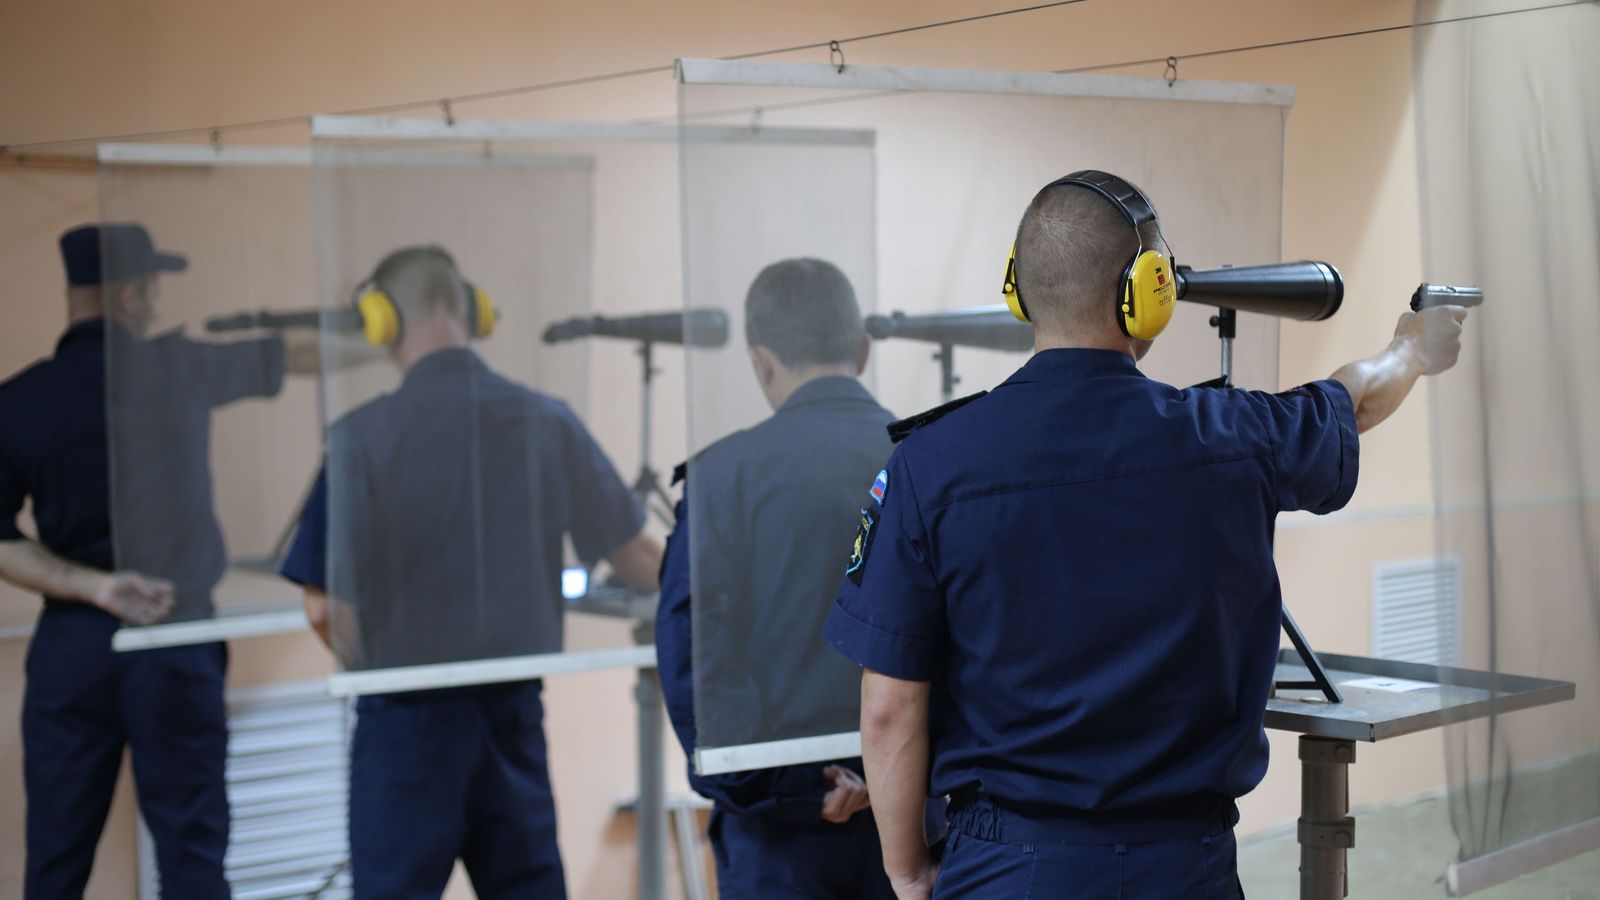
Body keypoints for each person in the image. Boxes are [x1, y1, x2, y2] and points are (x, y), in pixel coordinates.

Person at [824, 171, 1470, 899]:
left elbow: (887, 708)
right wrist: (1412, 349)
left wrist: (906, 870)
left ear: (1019, 288)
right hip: (1184, 864)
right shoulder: (1233, 437)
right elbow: (1351, 401)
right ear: (1151, 290)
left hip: (1008, 864)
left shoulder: (928, 466)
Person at [279, 244, 661, 899]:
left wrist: (380, 672)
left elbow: (322, 606)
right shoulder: (546, 420)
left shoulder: (363, 438)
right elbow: (639, 558)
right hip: (512, 723)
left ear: (382, 320)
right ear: (471, 310)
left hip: (404, 732)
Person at [0, 223, 315, 898]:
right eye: (151, 290)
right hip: (174, 637)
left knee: (54, 864)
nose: (155, 304)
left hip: (72, 647)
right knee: (192, 859)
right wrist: (385, 331)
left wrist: (96, 587)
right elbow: (292, 355)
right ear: (130, 295)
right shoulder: (176, 368)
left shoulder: (21, 401)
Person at [657, 258, 899, 899]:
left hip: (782, 844)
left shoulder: (724, 479)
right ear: (862, 349)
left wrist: (789, 791)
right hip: (914, 829)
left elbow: (695, 661)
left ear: (761, 361)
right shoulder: (928, 459)